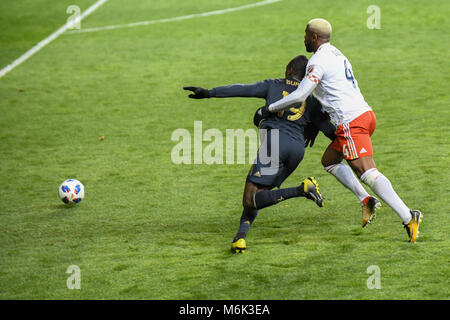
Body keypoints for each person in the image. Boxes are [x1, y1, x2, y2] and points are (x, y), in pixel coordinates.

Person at [262, 18, 422, 242]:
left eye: (307, 34)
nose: (304, 38)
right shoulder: (337, 53)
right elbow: (332, 92)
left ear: (315, 38)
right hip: (365, 114)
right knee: (329, 160)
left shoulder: (317, 61)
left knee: (367, 172)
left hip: (351, 122)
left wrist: (269, 109)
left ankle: (408, 217)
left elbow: (299, 95)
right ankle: (367, 200)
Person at [184, 55, 336, 253]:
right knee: (259, 194)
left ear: (289, 70)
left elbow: (242, 89)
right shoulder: (312, 99)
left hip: (275, 144)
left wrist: (210, 93)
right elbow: (332, 132)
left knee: (250, 198)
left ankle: (302, 189)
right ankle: (240, 236)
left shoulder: (274, 85)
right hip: (297, 151)